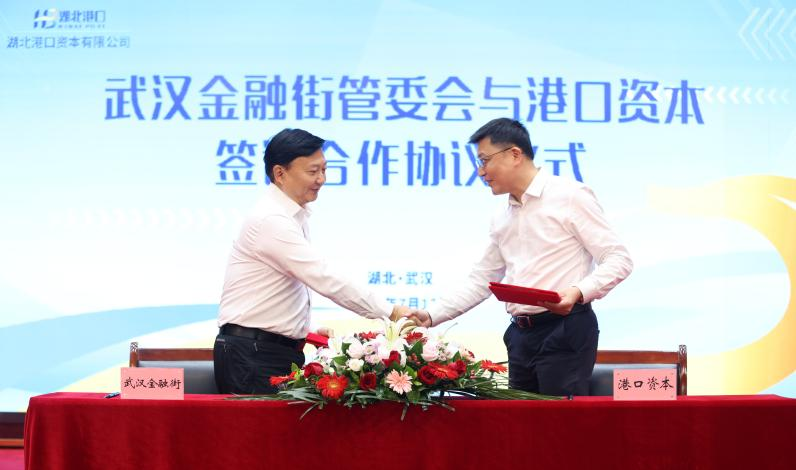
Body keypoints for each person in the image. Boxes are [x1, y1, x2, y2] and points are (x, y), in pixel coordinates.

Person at [410, 118, 633, 396]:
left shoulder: (570, 195)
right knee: (521, 420)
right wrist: (431, 316)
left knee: (558, 420)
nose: (480, 171)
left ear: (515, 154)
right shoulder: (502, 216)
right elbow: (481, 280)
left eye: (485, 160)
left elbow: (618, 259)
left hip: (564, 330)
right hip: (520, 336)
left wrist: (578, 291)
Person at [214, 128, 409, 394]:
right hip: (253, 356)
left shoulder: (292, 215)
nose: (321, 179)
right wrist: (390, 312)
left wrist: (304, 330)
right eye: (313, 171)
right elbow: (323, 277)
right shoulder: (271, 220)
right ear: (280, 173)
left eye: (324, 170)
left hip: (267, 351)